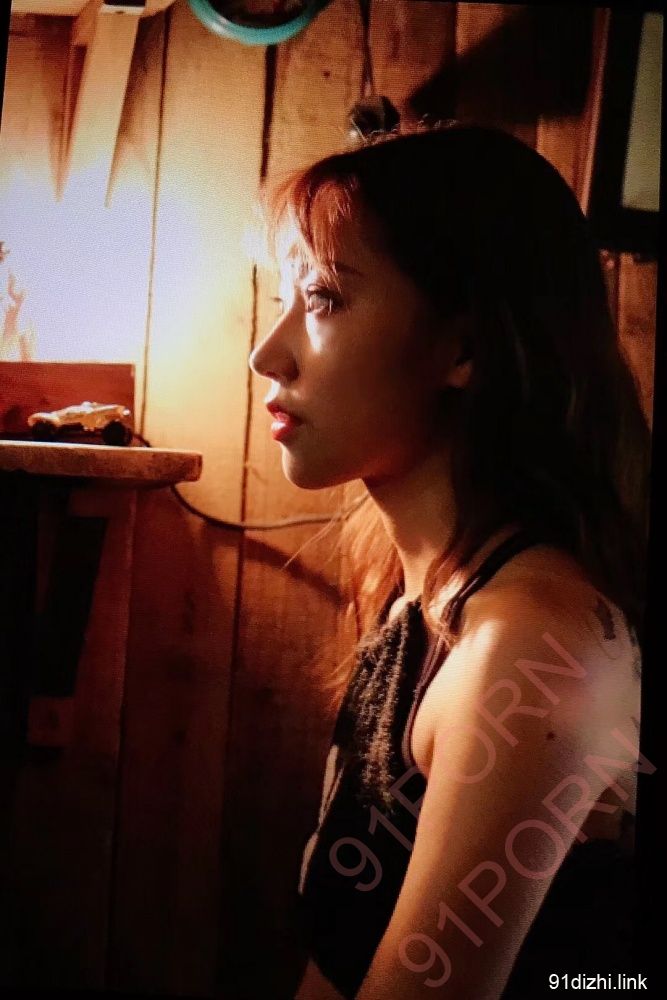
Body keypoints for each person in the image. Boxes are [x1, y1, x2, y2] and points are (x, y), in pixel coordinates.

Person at [247, 121, 648, 1000]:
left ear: (464, 348)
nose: (266, 354)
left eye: (322, 299)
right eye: (284, 299)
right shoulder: (421, 598)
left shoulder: (535, 648)